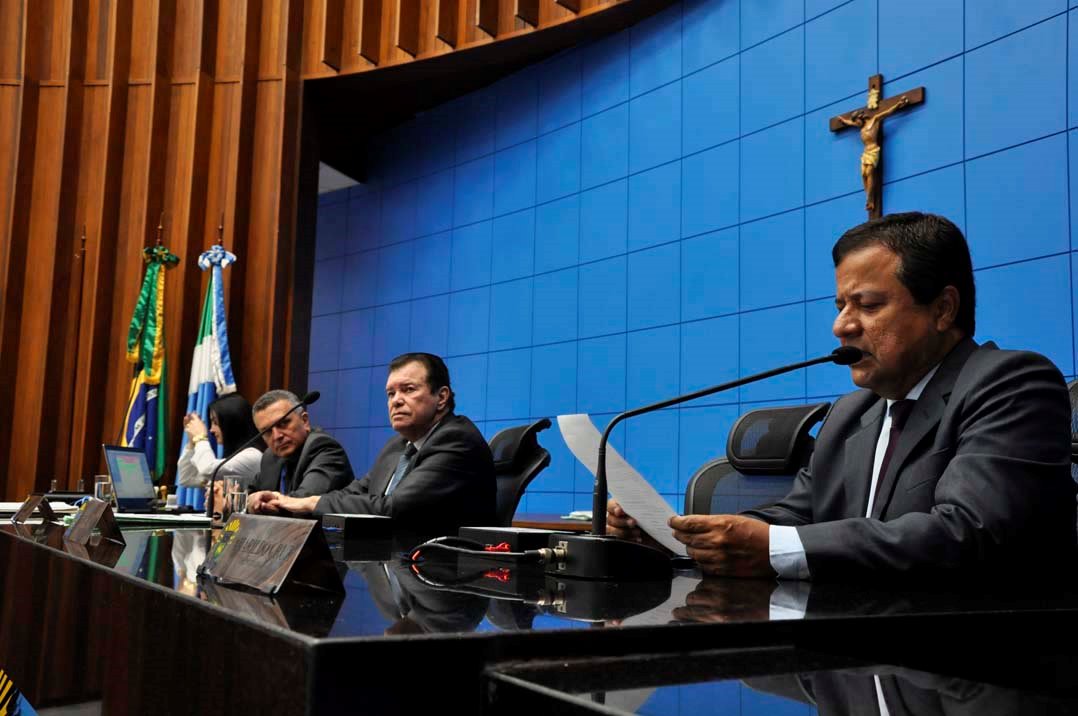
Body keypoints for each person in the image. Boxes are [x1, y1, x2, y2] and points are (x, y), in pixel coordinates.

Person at [609, 212, 1076, 578]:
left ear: (943, 309)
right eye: (841, 306)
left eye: (868, 305)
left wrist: (770, 547)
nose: (841, 326)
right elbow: (797, 517)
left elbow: (967, 532)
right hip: (847, 638)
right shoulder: (852, 414)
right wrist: (682, 539)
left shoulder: (1011, 384)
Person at [247, 352, 496, 534]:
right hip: (397, 562)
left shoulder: (456, 440)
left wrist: (310, 502)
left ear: (441, 397)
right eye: (391, 393)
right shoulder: (399, 446)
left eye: (408, 389)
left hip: (448, 578)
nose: (396, 401)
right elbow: (356, 491)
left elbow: (394, 508)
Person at [245, 389, 355, 500]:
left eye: (283, 423)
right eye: (267, 431)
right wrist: (246, 500)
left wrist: (260, 502)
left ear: (304, 420)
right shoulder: (270, 457)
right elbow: (249, 495)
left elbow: (303, 500)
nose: (277, 436)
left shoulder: (324, 448)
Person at [177, 392, 263, 492]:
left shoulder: (252, 456)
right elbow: (187, 478)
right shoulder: (232, 458)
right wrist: (192, 443)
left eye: (215, 423)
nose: (211, 430)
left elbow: (207, 469)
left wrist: (200, 437)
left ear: (232, 423)